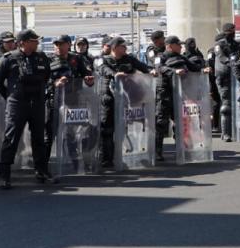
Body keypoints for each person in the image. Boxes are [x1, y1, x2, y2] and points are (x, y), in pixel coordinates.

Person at [0, 29, 53, 189]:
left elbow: (46, 76)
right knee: (11, 138)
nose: (37, 43)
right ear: (23, 42)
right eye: (33, 40)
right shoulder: (8, 59)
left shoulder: (41, 57)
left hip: (37, 103)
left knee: (39, 138)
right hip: (18, 104)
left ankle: (42, 171)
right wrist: (11, 97)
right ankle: (4, 176)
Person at [96, 37, 151, 169]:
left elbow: (143, 67)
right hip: (108, 98)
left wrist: (152, 71)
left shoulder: (129, 59)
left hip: (127, 99)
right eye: (123, 46)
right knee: (107, 129)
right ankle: (106, 159)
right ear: (114, 48)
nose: (125, 49)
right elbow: (103, 69)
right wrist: (115, 74)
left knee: (123, 128)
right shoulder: (103, 59)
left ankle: (121, 155)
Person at [152, 36, 199, 162]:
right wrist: (174, 71)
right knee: (161, 123)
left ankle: (181, 148)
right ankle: (157, 152)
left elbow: (193, 67)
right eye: (178, 45)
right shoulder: (160, 57)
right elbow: (160, 68)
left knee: (181, 121)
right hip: (164, 93)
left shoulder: (181, 57)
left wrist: (203, 69)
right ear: (170, 46)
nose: (181, 47)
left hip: (179, 93)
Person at [45, 34, 94, 152]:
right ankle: (43, 166)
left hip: (73, 101)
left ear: (69, 45)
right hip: (54, 101)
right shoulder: (48, 59)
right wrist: (54, 83)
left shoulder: (76, 59)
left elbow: (86, 75)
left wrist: (89, 81)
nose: (58, 47)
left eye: (61, 44)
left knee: (71, 133)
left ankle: (74, 164)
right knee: (49, 133)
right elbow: (42, 79)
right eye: (56, 44)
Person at [207, 23, 240, 142]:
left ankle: (239, 130)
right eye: (230, 31)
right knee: (226, 105)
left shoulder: (238, 45)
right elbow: (222, 57)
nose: (232, 34)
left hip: (237, 76)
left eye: (233, 31)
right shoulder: (219, 45)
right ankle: (226, 133)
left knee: (239, 103)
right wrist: (232, 62)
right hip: (224, 76)